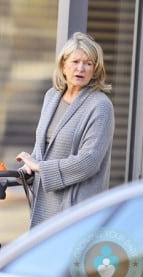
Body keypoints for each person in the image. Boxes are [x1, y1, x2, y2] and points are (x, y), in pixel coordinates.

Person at [15, 32, 115, 228]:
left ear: (95, 69)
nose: (81, 68)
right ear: (63, 65)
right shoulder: (51, 96)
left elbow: (90, 161)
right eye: (75, 61)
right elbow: (43, 147)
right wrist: (29, 170)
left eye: (88, 63)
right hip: (44, 204)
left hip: (76, 208)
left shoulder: (100, 105)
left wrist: (40, 167)